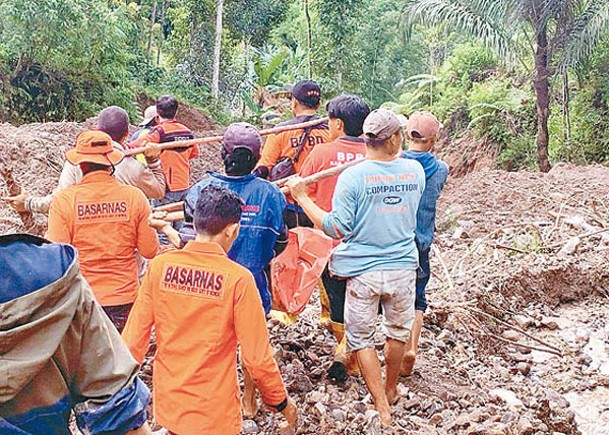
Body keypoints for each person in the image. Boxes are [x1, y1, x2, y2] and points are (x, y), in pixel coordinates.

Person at [286, 109, 425, 427]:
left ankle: (380, 402)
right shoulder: (415, 172)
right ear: (393, 138)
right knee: (397, 333)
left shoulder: (353, 177)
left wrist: (303, 198)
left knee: (361, 339)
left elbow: (335, 228)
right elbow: (399, 161)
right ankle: (390, 388)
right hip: (402, 267)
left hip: (362, 271)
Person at [122, 185, 298, 435]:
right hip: (214, 413)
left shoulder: (161, 267)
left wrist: (115, 394)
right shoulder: (238, 279)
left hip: (169, 405)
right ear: (232, 230)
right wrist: (282, 403)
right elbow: (257, 359)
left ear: (194, 225)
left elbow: (132, 342)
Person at [180, 122, 287, 418]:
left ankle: (206, 396)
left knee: (207, 343)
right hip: (252, 283)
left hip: (205, 286)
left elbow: (191, 237)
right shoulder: (272, 195)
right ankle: (249, 399)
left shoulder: (199, 191)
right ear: (257, 159)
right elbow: (281, 241)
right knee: (252, 346)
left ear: (223, 153)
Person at [0, 234, 151, 434]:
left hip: (72, 305)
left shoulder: (66, 202)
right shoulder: (51, 272)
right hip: (72, 306)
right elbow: (149, 248)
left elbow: (56, 235)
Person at [46, 130, 159, 331]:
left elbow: (58, 260)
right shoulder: (135, 197)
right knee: (121, 359)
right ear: (111, 162)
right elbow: (149, 250)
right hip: (124, 298)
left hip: (82, 299)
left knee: (88, 361)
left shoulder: (63, 202)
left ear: (80, 164)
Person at [299, 94, 370, 383]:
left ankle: (348, 356)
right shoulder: (376, 154)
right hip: (368, 241)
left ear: (338, 124)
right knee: (364, 298)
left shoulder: (320, 155)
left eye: (329, 120)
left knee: (339, 299)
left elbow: (304, 195)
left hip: (331, 242)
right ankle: (349, 351)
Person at [4, 106, 166, 214]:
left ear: (96, 130)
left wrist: (28, 203)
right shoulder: (133, 169)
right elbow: (159, 191)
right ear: (126, 134)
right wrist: (153, 161)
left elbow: (57, 201)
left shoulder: (75, 162)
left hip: (84, 254)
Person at [401, 111, 449, 375]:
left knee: (393, 299)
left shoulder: (395, 163)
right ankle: (412, 347)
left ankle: (393, 348)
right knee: (418, 299)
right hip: (421, 242)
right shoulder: (441, 169)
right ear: (435, 139)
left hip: (396, 240)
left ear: (407, 135)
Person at [256, 80, 330, 228]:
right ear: (319, 104)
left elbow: (264, 168)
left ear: (294, 102)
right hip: (322, 210)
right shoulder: (331, 131)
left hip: (290, 205)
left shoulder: (280, 132)